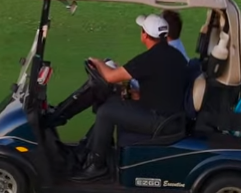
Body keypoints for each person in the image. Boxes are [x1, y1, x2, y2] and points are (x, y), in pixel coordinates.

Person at [73, 13, 188, 181]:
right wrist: (137, 94)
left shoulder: (150, 59)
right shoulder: (174, 55)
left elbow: (111, 76)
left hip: (162, 121)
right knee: (113, 101)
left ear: (145, 35)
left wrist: (97, 63)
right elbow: (164, 86)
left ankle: (97, 166)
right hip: (167, 115)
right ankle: (90, 150)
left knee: (106, 112)